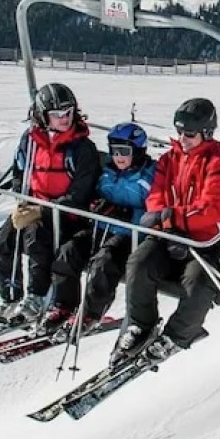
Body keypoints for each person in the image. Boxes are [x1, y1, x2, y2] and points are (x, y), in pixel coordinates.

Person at [110, 98, 220, 368]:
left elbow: (211, 210)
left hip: (205, 241)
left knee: (198, 283)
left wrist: (171, 217)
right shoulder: (170, 160)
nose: (182, 139)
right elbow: (156, 196)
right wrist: (165, 222)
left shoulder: (219, 165)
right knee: (139, 263)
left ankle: (177, 335)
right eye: (179, 132)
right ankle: (140, 324)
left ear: (206, 132)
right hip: (169, 235)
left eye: (189, 134)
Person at [0, 83, 102, 329]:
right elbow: (20, 174)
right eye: (57, 114)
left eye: (68, 113)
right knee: (4, 239)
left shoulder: (82, 148)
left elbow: (80, 194)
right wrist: (23, 201)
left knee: (37, 237)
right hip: (35, 205)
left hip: (67, 215)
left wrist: (43, 210)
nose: (64, 119)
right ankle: (10, 296)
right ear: (42, 116)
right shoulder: (30, 141)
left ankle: (36, 296)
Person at [39, 121, 157, 338]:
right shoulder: (107, 172)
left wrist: (129, 213)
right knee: (68, 251)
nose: (118, 157)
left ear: (138, 151)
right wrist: (96, 203)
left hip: (129, 236)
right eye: (114, 151)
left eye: (124, 152)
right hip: (100, 227)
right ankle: (63, 305)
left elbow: (155, 206)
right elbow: (94, 193)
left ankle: (91, 313)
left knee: (104, 262)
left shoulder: (149, 175)